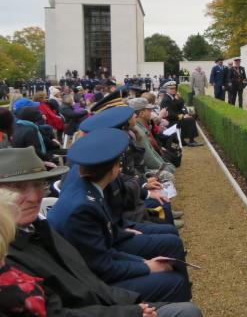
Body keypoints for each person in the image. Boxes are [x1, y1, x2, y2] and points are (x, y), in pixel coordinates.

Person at [1, 147, 201, 316]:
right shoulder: (8, 253)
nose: (34, 196)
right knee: (183, 304)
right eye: (18, 188)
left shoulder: (36, 227)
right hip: (98, 303)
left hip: (102, 298)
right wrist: (132, 309)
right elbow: (65, 305)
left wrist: (133, 301)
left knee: (183, 302)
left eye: (38, 184)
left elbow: (87, 278)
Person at [48, 129, 192, 303]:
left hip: (99, 259)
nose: (121, 168)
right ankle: (181, 303)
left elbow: (105, 244)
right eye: (119, 163)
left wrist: (142, 262)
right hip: (91, 287)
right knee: (174, 282)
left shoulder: (88, 186)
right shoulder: (82, 208)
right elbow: (102, 267)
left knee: (169, 247)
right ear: (114, 169)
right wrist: (145, 266)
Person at [159, 82, 200, 147]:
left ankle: (182, 139)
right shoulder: (166, 99)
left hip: (175, 119)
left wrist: (186, 114)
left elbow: (180, 106)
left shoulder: (171, 97)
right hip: (170, 122)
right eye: (171, 88)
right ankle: (191, 141)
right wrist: (183, 116)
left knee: (192, 115)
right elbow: (170, 115)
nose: (173, 90)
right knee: (190, 120)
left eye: (174, 88)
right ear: (166, 90)